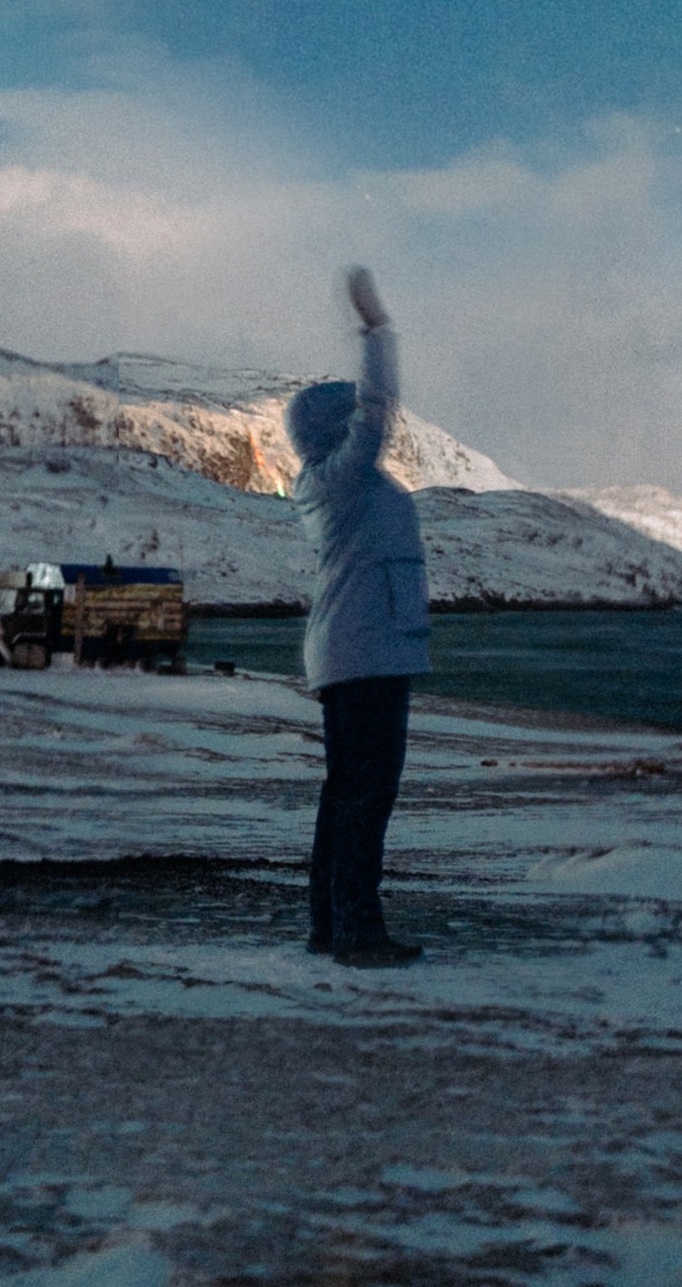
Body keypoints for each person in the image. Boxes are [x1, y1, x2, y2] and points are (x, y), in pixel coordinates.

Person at [285, 264, 430, 965]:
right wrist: (376, 331)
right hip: (366, 651)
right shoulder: (343, 476)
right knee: (366, 797)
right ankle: (357, 932)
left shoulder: (334, 482)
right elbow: (379, 408)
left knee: (346, 795)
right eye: (348, 414)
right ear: (334, 428)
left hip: (356, 649)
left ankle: (330, 925)